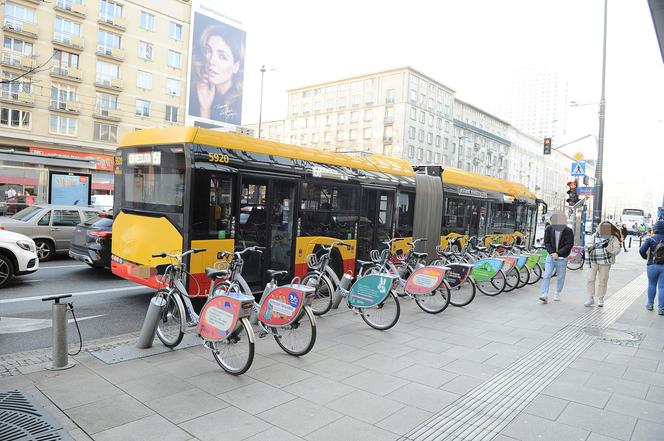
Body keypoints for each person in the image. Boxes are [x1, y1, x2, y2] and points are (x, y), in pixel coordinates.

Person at [189, 23, 245, 124]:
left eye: (222, 56)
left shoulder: (240, 105)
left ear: (236, 66)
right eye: (208, 51)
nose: (211, 60)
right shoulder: (195, 91)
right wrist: (205, 108)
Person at [539, 211, 575, 303]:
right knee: (547, 275)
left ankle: (557, 292)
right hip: (550, 256)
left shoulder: (568, 231)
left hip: (562, 258)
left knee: (560, 277)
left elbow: (569, 245)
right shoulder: (549, 229)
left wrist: (558, 254)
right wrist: (552, 253)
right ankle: (544, 294)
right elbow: (546, 242)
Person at [584, 221, 622, 307]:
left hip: (605, 262)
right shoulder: (595, 235)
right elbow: (587, 245)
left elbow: (617, 250)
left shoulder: (613, 238)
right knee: (590, 279)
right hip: (593, 260)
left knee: (603, 280)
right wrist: (588, 247)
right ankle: (590, 298)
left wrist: (608, 247)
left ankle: (600, 298)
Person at [640, 220, 664, 315]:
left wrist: (646, 257)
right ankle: (661, 309)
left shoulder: (650, 239)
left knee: (652, 284)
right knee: (662, 287)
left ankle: (650, 305)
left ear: (655, 228)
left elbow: (642, 250)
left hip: (652, 265)